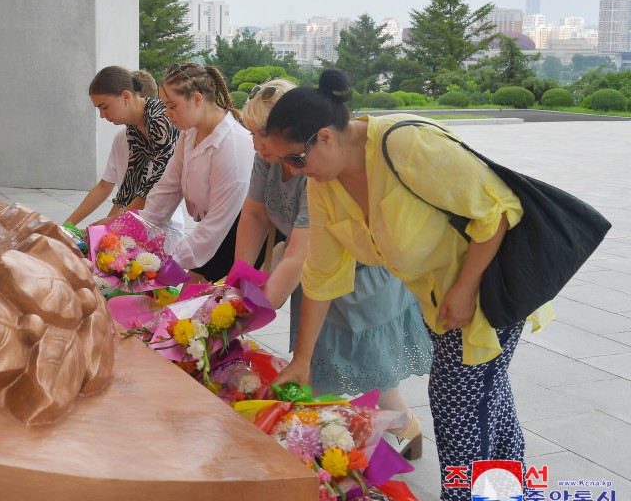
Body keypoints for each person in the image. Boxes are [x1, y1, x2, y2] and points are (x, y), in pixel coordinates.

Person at [264, 69, 552, 501]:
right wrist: (301, 360)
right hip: (439, 301)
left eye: (294, 159)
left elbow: (497, 210)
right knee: (486, 396)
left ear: (324, 138)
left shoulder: (405, 145)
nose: (290, 171)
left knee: (458, 406)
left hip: (489, 287)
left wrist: (465, 286)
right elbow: (321, 273)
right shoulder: (326, 183)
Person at [234, 77, 432, 459]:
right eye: (254, 134)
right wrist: (239, 281)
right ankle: (344, 437)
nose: (259, 145)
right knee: (317, 357)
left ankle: (354, 438)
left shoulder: (314, 167)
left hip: (356, 270)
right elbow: (255, 214)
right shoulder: (271, 158)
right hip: (317, 273)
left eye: (264, 134)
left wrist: (248, 313)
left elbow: (300, 252)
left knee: (365, 356)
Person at [139, 61, 261, 282]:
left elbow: (218, 224)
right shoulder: (189, 134)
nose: (167, 113)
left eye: (172, 106)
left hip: (238, 236)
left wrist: (172, 261)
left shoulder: (232, 145)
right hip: (214, 232)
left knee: (193, 307)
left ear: (197, 98)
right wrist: (138, 234)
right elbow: (167, 188)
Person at [65, 67, 184, 242]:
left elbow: (154, 187)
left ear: (126, 96)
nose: (102, 115)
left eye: (105, 107)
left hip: (164, 227)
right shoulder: (133, 128)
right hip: (141, 221)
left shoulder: (160, 121)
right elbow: (128, 188)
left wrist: (109, 223)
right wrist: (72, 227)